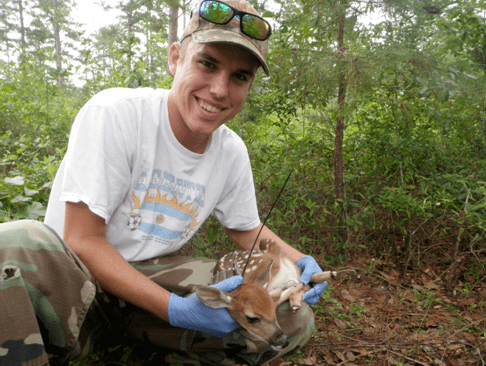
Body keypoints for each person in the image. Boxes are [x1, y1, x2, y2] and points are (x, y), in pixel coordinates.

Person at [0, 0, 327, 365]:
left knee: (291, 319)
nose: (219, 89)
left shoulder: (231, 151)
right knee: (13, 243)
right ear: (175, 59)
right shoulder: (115, 114)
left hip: (149, 280)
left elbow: (247, 228)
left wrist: (301, 264)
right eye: (207, 63)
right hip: (78, 284)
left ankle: (135, 347)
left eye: (240, 76)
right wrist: (175, 310)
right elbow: (83, 239)